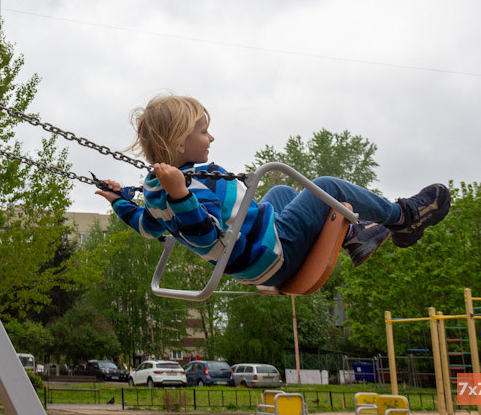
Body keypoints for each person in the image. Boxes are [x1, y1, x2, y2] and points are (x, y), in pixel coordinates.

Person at [95, 95, 451, 287]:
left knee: (280, 193)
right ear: (180, 143)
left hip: (259, 255)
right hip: (273, 255)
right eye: (204, 132)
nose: (211, 138)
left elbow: (148, 225)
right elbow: (204, 237)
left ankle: (355, 237)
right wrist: (180, 197)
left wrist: (119, 203)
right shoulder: (184, 188)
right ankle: (406, 216)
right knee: (323, 187)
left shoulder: (157, 190)